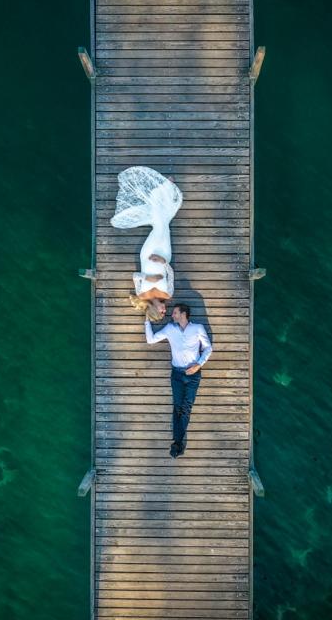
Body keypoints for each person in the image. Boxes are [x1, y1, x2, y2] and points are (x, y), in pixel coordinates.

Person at [109, 166, 182, 322]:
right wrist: (163, 261)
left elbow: (135, 276)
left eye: (162, 313)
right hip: (164, 255)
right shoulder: (168, 294)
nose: (165, 310)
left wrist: (148, 279)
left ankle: (162, 190)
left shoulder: (141, 294)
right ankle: (160, 192)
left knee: (159, 226)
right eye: (165, 312)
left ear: (154, 311)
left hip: (147, 254)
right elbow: (171, 275)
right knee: (163, 226)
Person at [145, 303, 213, 458]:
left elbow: (208, 348)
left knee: (186, 407)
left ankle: (178, 442)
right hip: (176, 374)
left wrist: (198, 365)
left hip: (193, 374)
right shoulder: (170, 329)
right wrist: (147, 319)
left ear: (183, 314)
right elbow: (150, 340)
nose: (172, 315)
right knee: (177, 407)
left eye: (175, 313)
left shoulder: (198, 328)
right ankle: (178, 442)